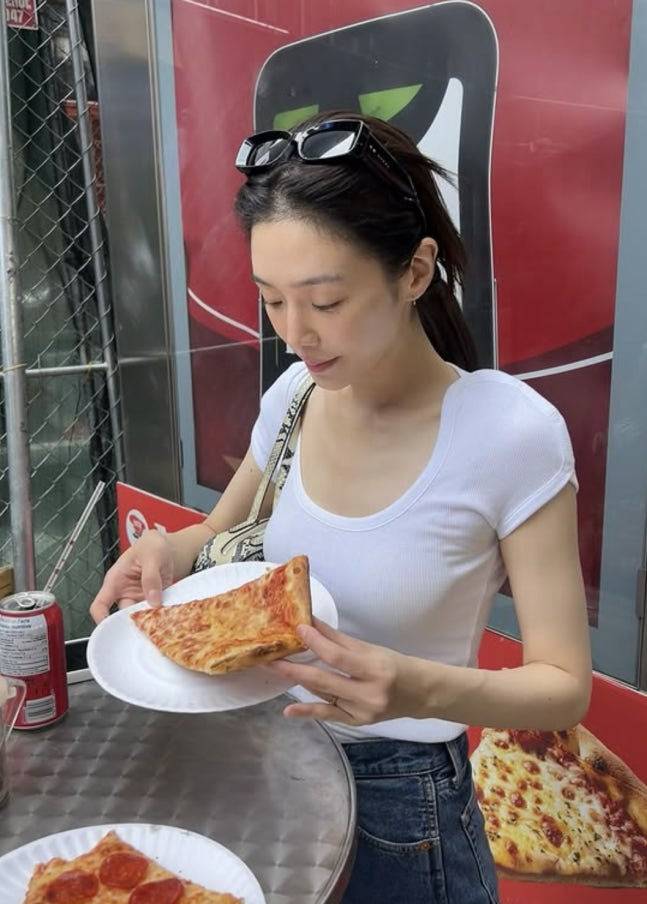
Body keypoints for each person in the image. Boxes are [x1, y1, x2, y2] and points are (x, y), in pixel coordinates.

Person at [90, 111, 592, 904]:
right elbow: (219, 531)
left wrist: (412, 688)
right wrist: (167, 550)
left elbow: (562, 685)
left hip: (403, 796)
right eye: (271, 301)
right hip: (270, 760)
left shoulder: (507, 432)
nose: (295, 334)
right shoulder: (295, 393)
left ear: (415, 271)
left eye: (324, 302)